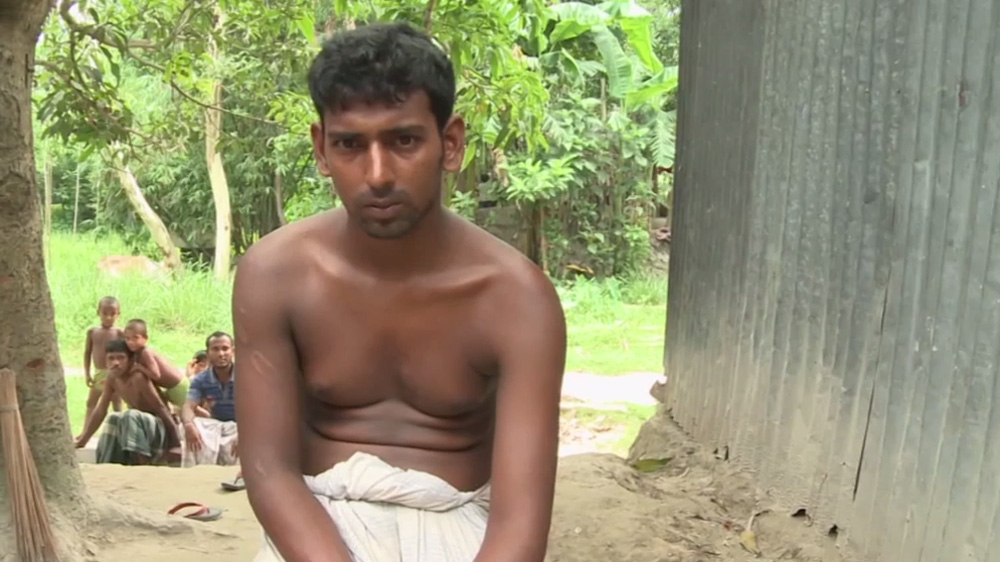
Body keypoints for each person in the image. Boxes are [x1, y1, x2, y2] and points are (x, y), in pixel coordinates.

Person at [235, 22, 566, 562]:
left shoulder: (517, 300)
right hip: (318, 531)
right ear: (321, 149)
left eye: (403, 140)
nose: (378, 174)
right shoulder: (275, 274)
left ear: (450, 143)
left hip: (461, 529)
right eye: (350, 144)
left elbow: (519, 526)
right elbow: (269, 471)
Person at [74, 339, 183, 464]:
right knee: (114, 418)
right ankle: (108, 463)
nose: (116, 363)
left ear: (131, 361)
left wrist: (175, 443)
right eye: (111, 358)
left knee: (130, 415)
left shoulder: (138, 378)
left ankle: (142, 463)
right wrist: (83, 440)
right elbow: (101, 410)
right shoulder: (112, 378)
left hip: (158, 427)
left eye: (121, 358)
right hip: (137, 427)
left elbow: (161, 408)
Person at [181, 331, 238, 467]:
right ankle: (196, 473)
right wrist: (188, 425)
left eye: (225, 348)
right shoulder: (201, 379)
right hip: (217, 426)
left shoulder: (247, 375)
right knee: (188, 426)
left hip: (244, 427)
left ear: (233, 351)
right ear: (208, 353)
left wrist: (248, 434)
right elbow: (188, 406)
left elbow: (261, 411)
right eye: (215, 349)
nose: (221, 354)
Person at [122, 318, 190, 413]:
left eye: (135, 338)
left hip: (177, 386)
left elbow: (156, 375)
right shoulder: (137, 352)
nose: (130, 342)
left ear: (145, 338)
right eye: (127, 338)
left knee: (192, 410)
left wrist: (139, 368)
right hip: (170, 388)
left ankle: (210, 417)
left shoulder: (146, 352)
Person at [82, 296, 124, 428]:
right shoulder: (92, 332)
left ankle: (121, 431)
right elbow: (87, 353)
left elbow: (125, 355)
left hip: (114, 373)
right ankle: (85, 431)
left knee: (117, 403)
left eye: (112, 314)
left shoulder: (119, 332)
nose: (108, 317)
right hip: (99, 373)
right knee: (91, 403)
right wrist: (87, 374)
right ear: (98, 312)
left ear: (118, 314)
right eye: (104, 313)